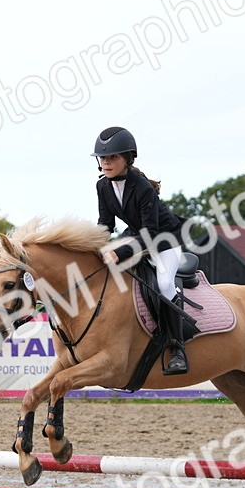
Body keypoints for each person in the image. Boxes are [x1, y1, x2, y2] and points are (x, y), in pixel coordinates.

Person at [91, 126, 189, 375]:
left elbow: (152, 234)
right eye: (103, 158)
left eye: (112, 157)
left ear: (127, 159)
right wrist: (95, 246)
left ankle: (177, 348)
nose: (106, 162)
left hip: (165, 240)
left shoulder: (142, 188)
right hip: (138, 236)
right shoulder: (103, 186)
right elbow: (106, 225)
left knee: (165, 284)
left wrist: (120, 253)